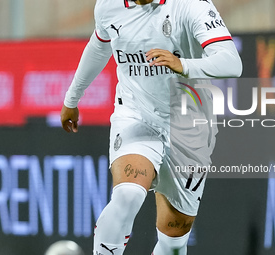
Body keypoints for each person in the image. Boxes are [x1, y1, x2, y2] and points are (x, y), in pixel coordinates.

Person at [61, 0, 242, 254]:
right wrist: (72, 98)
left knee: (173, 242)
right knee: (128, 194)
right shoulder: (108, 5)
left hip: (189, 127)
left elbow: (232, 62)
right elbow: (99, 46)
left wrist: (184, 65)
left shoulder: (191, 5)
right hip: (136, 115)